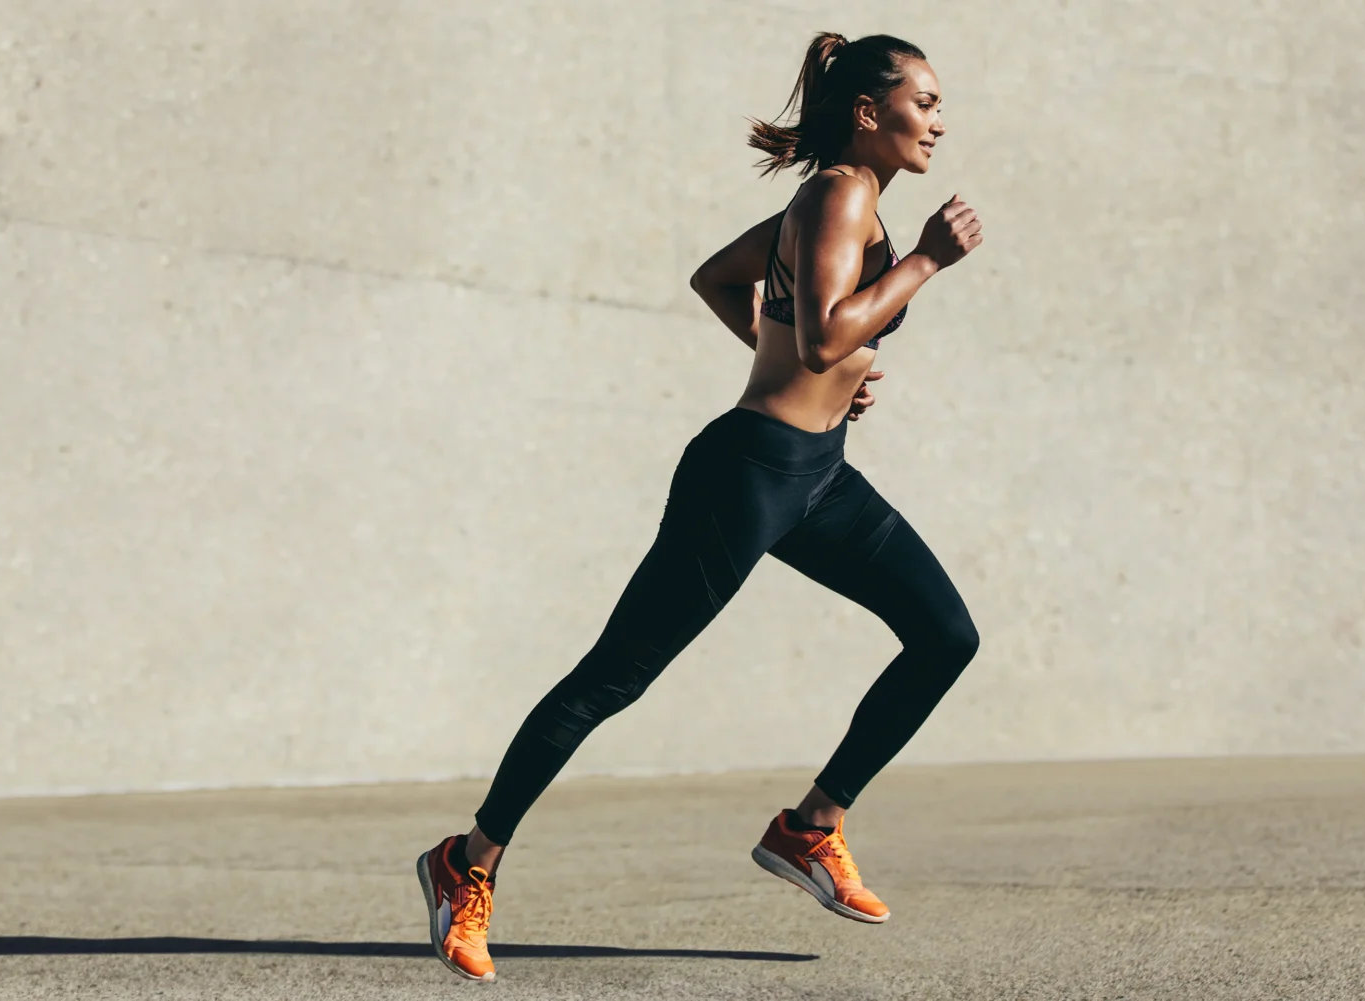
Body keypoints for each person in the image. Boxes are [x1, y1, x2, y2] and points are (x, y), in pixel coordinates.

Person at [414, 30, 985, 982]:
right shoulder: (844, 194)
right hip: (750, 475)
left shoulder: (848, 203)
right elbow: (817, 340)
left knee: (945, 635)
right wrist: (922, 264)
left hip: (820, 475)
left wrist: (832, 360)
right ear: (867, 111)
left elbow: (723, 283)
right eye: (924, 101)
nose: (939, 119)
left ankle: (812, 827)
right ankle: (465, 861)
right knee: (613, 678)